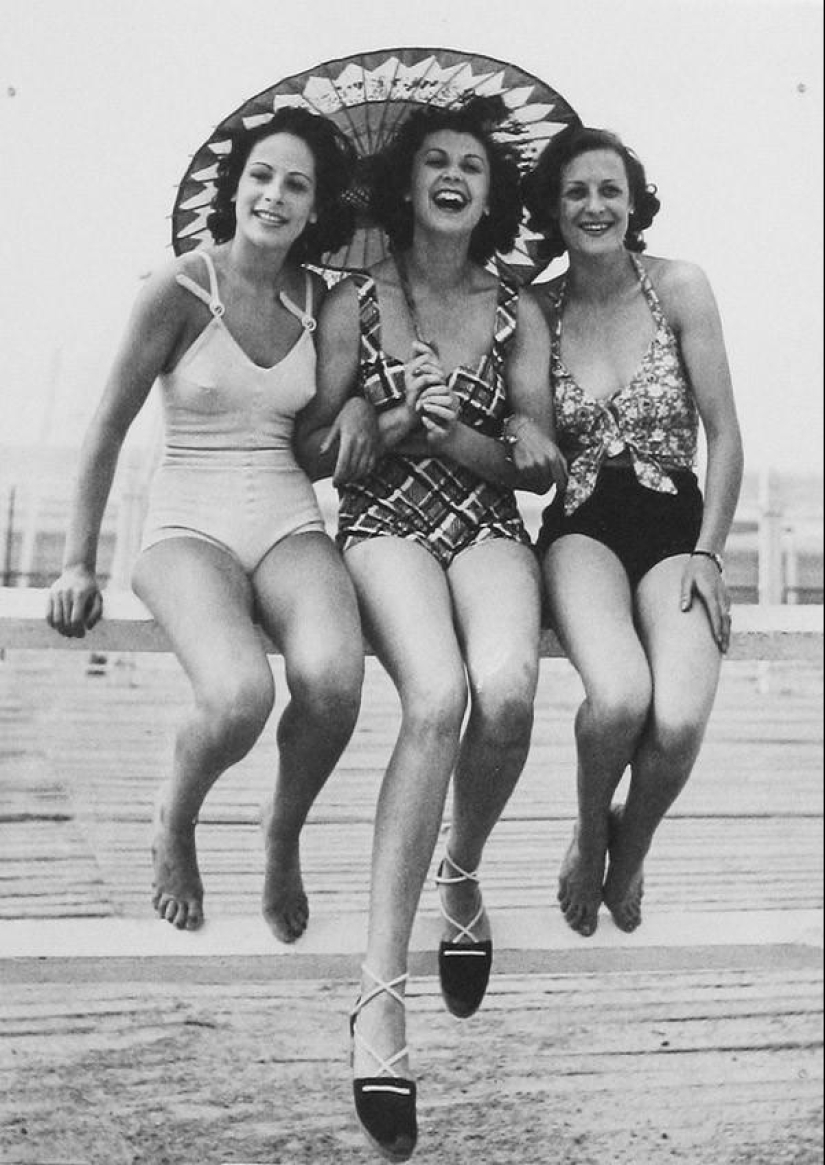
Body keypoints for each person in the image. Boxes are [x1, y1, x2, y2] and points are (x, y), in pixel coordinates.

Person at [296, 95, 565, 1161]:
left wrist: (497, 446)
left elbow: (528, 462)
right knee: (438, 698)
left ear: (493, 197)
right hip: (383, 525)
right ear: (405, 186)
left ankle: (462, 869)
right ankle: (379, 999)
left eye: (474, 166)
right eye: (436, 163)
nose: (454, 176)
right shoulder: (352, 296)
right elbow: (318, 447)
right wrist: (365, 415)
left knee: (507, 692)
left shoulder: (518, 313)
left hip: (486, 519)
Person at [46, 109, 372, 942]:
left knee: (335, 680)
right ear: (235, 187)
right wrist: (78, 562)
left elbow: (319, 435)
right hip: (187, 522)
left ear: (314, 208)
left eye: (296, 184)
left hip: (287, 515)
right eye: (262, 175)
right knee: (238, 695)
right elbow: (107, 429)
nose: (274, 194)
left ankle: (281, 831)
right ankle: (176, 816)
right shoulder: (178, 288)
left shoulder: (319, 301)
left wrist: (371, 406)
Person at [522, 125, 744, 938]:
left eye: (608, 189)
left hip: (675, 527)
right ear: (553, 207)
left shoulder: (679, 287)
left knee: (679, 719)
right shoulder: (535, 306)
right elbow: (536, 441)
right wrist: (522, 436)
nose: (593, 205)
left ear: (632, 200)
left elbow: (723, 431)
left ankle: (632, 846)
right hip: (582, 525)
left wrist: (710, 553)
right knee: (618, 698)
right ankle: (588, 833)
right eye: (575, 191)